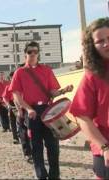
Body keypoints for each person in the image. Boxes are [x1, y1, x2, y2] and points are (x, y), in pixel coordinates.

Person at [10, 41, 73, 179]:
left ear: (38, 54)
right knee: (36, 147)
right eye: (29, 52)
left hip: (48, 111)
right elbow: (16, 95)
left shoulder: (46, 70)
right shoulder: (19, 72)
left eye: (35, 51)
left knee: (53, 146)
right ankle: (41, 175)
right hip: (31, 113)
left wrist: (63, 91)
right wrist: (27, 109)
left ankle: (54, 176)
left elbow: (52, 92)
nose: (33, 54)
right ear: (25, 54)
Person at [69, 17, 109, 179]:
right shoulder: (92, 76)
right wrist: (104, 147)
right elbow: (82, 116)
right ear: (92, 46)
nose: (106, 44)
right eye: (100, 41)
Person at [2, 72, 19, 144]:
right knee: (13, 122)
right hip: (12, 105)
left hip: (22, 103)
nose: (13, 79)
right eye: (12, 78)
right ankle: (15, 138)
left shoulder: (21, 85)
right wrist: (8, 105)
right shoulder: (8, 87)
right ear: (10, 79)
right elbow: (4, 98)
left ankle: (23, 136)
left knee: (22, 122)